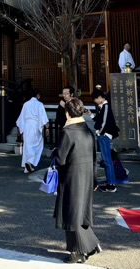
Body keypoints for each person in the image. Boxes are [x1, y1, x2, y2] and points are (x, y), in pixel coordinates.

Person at [53, 98, 102, 264]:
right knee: (81, 213)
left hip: (71, 177)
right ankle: (90, 245)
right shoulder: (88, 130)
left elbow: (60, 159)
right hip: (87, 175)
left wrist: (55, 152)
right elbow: (95, 157)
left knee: (71, 213)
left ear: (68, 113)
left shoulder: (68, 132)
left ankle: (77, 251)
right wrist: (95, 179)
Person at [92, 90, 119, 193]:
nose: (95, 101)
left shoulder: (106, 106)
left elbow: (104, 123)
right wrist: (90, 115)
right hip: (104, 134)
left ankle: (111, 184)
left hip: (104, 135)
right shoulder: (102, 107)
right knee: (107, 160)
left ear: (99, 97)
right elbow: (99, 120)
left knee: (107, 160)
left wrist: (99, 132)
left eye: (95, 99)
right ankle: (110, 183)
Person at [16, 91, 49, 173]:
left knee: (27, 145)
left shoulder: (26, 104)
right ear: (37, 95)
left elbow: (22, 117)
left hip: (27, 126)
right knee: (37, 144)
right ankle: (30, 162)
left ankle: (27, 167)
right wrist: (47, 127)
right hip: (35, 125)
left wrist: (19, 128)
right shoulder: (39, 104)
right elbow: (43, 116)